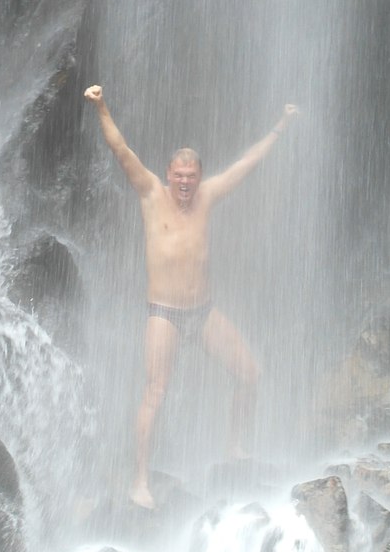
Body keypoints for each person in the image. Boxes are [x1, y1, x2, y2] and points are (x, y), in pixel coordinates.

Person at [83, 85, 298, 509]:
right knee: (155, 391)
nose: (184, 184)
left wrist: (282, 126)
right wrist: (100, 105)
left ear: (198, 177)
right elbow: (120, 148)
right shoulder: (149, 193)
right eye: (179, 177)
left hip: (203, 312)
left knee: (250, 374)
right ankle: (139, 481)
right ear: (168, 174)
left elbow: (247, 165)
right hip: (163, 313)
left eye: (191, 177)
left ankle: (235, 447)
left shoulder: (208, 196)